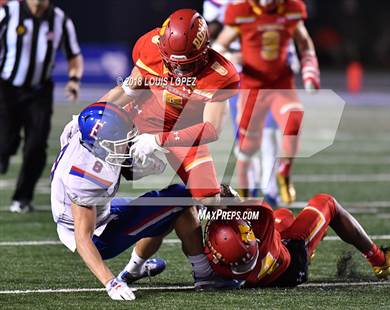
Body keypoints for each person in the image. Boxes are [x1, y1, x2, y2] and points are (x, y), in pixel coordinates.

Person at [51, 102, 240, 301]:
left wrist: (137, 168)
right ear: (104, 145)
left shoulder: (83, 136)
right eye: (123, 141)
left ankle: (134, 270)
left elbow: (115, 158)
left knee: (162, 211)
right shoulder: (86, 177)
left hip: (97, 213)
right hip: (98, 237)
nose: (128, 143)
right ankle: (205, 275)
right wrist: (110, 283)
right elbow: (83, 238)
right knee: (180, 196)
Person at [99, 9, 240, 206]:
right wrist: (89, 115)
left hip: (182, 131)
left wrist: (158, 140)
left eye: (187, 65)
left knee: (209, 198)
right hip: (140, 117)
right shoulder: (150, 47)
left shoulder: (220, 75)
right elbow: (127, 92)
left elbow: (212, 129)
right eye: (172, 63)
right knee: (94, 154)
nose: (178, 71)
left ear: (204, 51)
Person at [213, 0, 320, 204]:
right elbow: (219, 46)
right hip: (253, 87)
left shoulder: (291, 9)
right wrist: (230, 57)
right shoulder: (241, 11)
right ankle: (244, 197)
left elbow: (304, 41)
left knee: (294, 118)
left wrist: (310, 69)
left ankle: (284, 171)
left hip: (281, 84)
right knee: (247, 148)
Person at [205, 194, 390, 287]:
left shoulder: (218, 265)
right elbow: (252, 203)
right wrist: (224, 196)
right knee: (327, 203)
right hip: (292, 260)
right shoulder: (263, 221)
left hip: (267, 271)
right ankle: (381, 260)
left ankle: (313, 240)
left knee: (284, 215)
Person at [0, 0, 83, 213]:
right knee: (4, 142)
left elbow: (74, 55)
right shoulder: (8, 12)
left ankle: (22, 197)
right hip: (6, 88)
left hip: (39, 91)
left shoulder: (60, 19)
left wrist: (74, 80)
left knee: (36, 146)